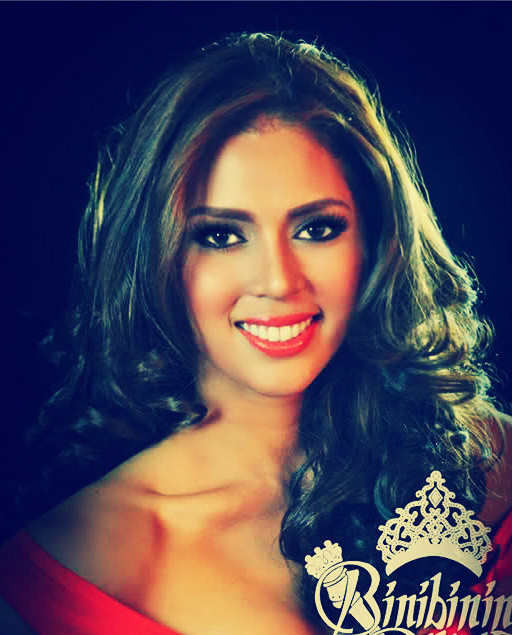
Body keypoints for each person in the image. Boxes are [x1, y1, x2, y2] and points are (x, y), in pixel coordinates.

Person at [0, 32, 510, 635]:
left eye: (317, 228)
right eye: (221, 235)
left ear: (373, 242)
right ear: (157, 258)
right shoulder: (74, 571)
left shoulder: (489, 457)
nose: (277, 280)